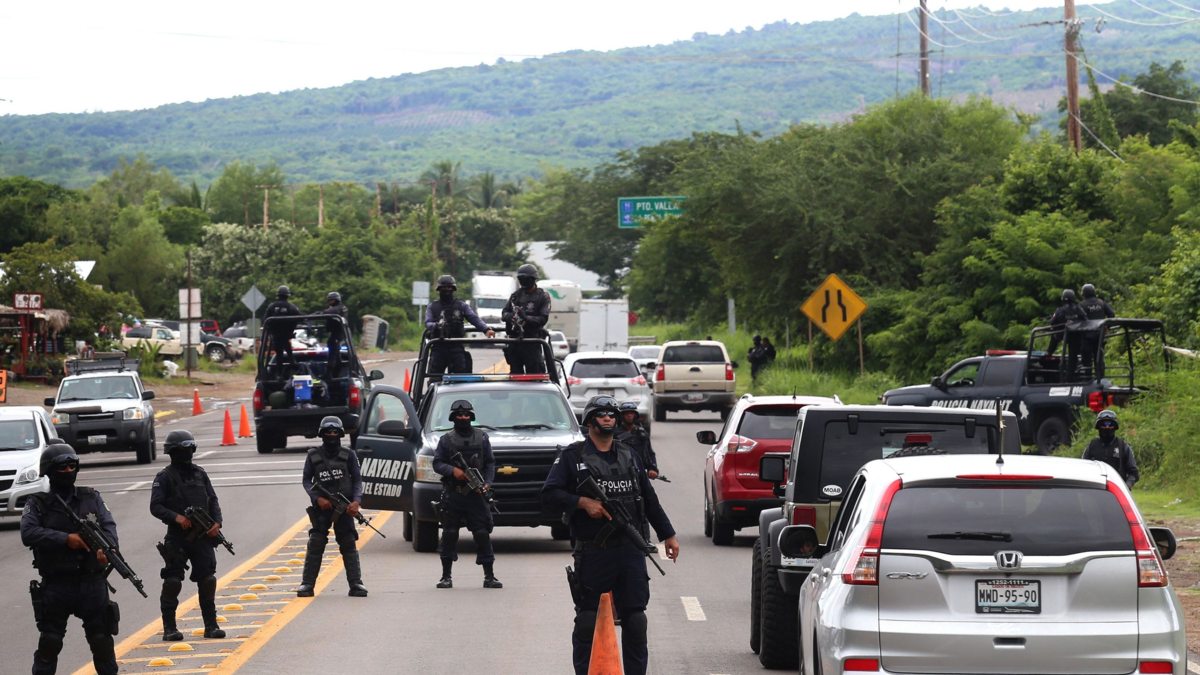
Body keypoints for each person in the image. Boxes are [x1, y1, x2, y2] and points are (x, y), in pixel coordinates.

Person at [540, 396, 680, 675]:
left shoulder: (630, 454)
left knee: (636, 620)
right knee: (587, 620)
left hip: (630, 550)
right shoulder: (572, 456)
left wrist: (668, 535)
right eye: (602, 414)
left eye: (612, 414)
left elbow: (648, 499)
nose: (608, 418)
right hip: (594, 551)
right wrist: (583, 503)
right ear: (590, 420)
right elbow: (549, 494)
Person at [21, 444, 119, 675]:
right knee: (50, 642)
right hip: (58, 585)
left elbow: (109, 526)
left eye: (72, 465)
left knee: (101, 641)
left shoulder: (91, 497)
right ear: (49, 470)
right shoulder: (37, 503)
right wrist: (66, 539)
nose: (68, 470)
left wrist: (108, 549)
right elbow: (28, 533)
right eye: (62, 466)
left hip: (92, 582)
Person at [149, 430, 225, 641]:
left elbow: (213, 500)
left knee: (208, 580)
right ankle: (169, 628)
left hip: (202, 536)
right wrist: (176, 517)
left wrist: (217, 523)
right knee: (173, 581)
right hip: (178, 537)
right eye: (184, 448)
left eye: (191, 448)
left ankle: (211, 626)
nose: (188, 452)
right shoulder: (165, 477)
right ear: (173, 451)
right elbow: (155, 506)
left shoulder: (200, 474)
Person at [432, 400, 502, 589]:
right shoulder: (446, 440)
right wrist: (452, 470)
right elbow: (437, 463)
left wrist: (486, 483)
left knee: (481, 533)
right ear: (453, 417)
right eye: (459, 415)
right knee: (450, 533)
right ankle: (446, 576)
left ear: (471, 417)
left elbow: (490, 463)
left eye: (466, 415)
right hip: (454, 494)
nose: (463, 418)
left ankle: (489, 576)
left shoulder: (482, 437)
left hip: (476, 495)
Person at [298, 416, 367, 598]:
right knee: (316, 542)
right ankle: (307, 584)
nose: (331, 434)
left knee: (348, 542)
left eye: (335, 431)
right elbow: (306, 480)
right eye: (328, 431)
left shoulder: (349, 455)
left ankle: (356, 584)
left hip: (344, 507)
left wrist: (356, 502)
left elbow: (357, 480)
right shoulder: (313, 456)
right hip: (322, 509)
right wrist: (317, 498)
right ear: (322, 434)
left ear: (340, 433)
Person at [424, 275, 495, 375]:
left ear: (453, 289)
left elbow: (473, 318)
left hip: (456, 346)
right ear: (439, 289)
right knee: (434, 377)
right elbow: (428, 323)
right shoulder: (432, 306)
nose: (446, 290)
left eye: (449, 287)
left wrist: (486, 329)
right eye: (444, 288)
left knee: (460, 377)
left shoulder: (461, 305)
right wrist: (437, 326)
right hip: (438, 346)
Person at [501, 264, 551, 374]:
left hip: (532, 341)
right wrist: (509, 317)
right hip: (515, 341)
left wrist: (526, 318)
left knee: (535, 375)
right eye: (520, 279)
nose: (522, 281)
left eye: (525, 279)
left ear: (532, 279)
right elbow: (504, 312)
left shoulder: (542, 297)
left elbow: (543, 319)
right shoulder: (516, 295)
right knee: (515, 375)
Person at [1082, 410, 1139, 488]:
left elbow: (1134, 473)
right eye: (1104, 424)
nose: (1107, 427)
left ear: (1115, 426)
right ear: (1099, 426)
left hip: (1116, 489)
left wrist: (1126, 486)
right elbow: (1083, 470)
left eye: (1110, 424)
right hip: (1096, 488)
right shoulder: (1092, 446)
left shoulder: (1123, 446)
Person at [1045, 289, 1087, 380]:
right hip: (1075, 336)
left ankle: (1049, 351)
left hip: (1062, 335)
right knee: (1073, 358)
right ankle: (1069, 377)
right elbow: (1085, 319)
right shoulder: (1079, 309)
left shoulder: (1060, 310)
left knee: (1054, 335)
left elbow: (1053, 322)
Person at [1078, 284, 1115, 380]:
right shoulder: (1101, 303)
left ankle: (1088, 380)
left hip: (1087, 337)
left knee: (1087, 360)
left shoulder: (1082, 305)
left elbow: (1078, 319)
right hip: (1100, 336)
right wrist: (1107, 327)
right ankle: (1101, 379)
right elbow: (1112, 314)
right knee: (1099, 358)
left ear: (1084, 294)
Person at [616, 402, 659, 480]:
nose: (629, 415)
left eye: (631, 413)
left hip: (640, 472)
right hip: (621, 473)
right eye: (626, 413)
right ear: (622, 415)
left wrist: (652, 469)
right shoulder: (614, 434)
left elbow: (649, 453)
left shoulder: (642, 433)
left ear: (635, 415)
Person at [263, 285, 301, 367]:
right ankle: (292, 360)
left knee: (279, 354)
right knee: (285, 342)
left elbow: (265, 319)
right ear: (288, 295)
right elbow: (300, 317)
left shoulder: (271, 306)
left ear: (278, 295)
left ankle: (280, 372)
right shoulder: (291, 307)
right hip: (287, 334)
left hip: (276, 335)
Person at [321, 291, 350, 377]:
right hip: (335, 333)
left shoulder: (339, 307)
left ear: (337, 300)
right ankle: (335, 372)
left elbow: (328, 312)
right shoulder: (338, 307)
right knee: (335, 354)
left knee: (333, 353)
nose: (330, 302)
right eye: (329, 301)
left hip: (338, 333)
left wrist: (323, 312)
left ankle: (329, 373)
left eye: (332, 300)